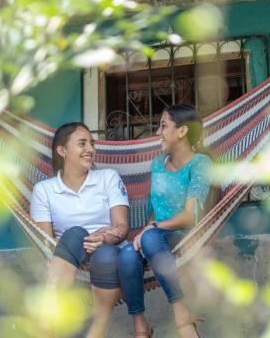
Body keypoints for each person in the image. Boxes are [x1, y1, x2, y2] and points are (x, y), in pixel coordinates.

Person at [118, 104, 212, 338]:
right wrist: (146, 233)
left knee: (148, 236)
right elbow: (155, 209)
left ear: (181, 131)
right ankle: (141, 328)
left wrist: (151, 229)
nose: (158, 132)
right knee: (128, 254)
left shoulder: (200, 163)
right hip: (156, 236)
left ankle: (181, 313)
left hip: (184, 236)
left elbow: (190, 217)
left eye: (163, 125)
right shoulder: (158, 163)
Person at [30, 122, 129, 338]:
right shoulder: (44, 190)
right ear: (62, 150)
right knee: (75, 234)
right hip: (69, 256)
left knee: (105, 253)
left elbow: (121, 227)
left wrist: (104, 236)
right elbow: (45, 243)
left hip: (110, 251)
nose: (90, 149)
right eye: (82, 143)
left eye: (92, 143)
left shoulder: (108, 177)